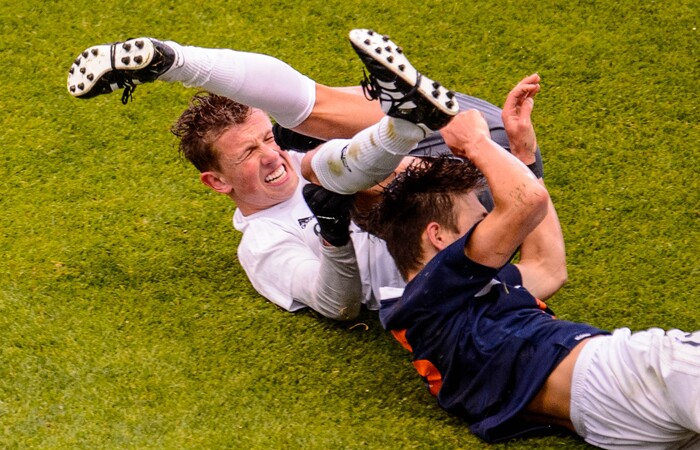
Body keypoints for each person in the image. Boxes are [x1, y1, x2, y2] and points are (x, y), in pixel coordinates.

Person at [357, 75, 700, 450]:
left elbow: (548, 266)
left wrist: (522, 155)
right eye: (480, 217)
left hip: (612, 420)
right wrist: (474, 143)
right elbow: (526, 203)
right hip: (622, 373)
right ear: (438, 237)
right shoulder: (427, 300)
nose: (491, 222)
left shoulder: (452, 307)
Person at [67, 29, 482, 320]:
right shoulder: (262, 244)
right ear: (217, 182)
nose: (271, 156)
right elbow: (337, 305)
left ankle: (402, 121)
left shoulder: (304, 157)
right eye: (249, 152)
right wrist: (333, 235)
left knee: (315, 124)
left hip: (475, 162)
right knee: (316, 142)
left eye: (267, 139)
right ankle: (402, 124)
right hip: (459, 255)